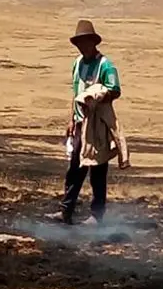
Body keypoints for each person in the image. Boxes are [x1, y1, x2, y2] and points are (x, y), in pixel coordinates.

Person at [47, 19, 125, 224]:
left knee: (98, 170)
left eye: (85, 42)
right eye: (79, 43)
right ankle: (66, 210)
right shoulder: (77, 63)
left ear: (93, 42)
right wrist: (72, 119)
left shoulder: (105, 65)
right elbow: (76, 93)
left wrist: (98, 96)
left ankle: (97, 216)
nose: (82, 46)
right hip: (81, 124)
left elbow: (115, 90)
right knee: (75, 169)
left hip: (97, 124)